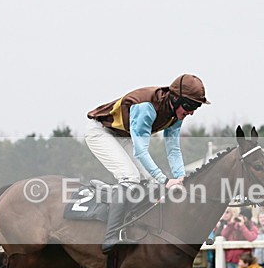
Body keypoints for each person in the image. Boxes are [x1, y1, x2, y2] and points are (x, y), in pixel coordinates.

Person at [85, 74, 209, 253]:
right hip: (100, 132)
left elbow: (173, 149)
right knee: (131, 177)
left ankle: (131, 222)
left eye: (196, 107)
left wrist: (181, 177)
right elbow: (141, 151)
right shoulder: (146, 108)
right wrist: (166, 181)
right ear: (175, 99)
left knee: (149, 181)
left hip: (123, 136)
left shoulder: (176, 115)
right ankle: (110, 236)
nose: (191, 112)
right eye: (190, 106)